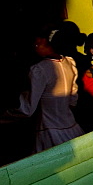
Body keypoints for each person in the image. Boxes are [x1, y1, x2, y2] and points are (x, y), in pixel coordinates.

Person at [15, 23, 85, 152]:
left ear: (43, 42)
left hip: (50, 132)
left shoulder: (39, 70)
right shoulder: (69, 63)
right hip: (72, 127)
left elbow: (27, 109)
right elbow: (72, 99)